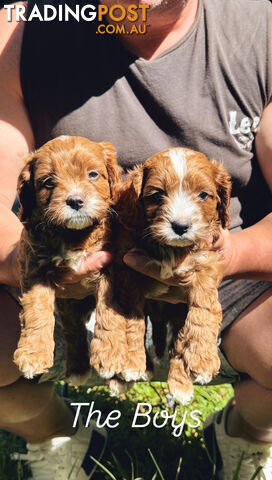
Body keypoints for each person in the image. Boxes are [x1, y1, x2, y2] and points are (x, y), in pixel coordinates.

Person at [0, 0, 272, 478]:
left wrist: (230, 254)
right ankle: (55, 434)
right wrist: (23, 259)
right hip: (65, 267)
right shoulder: (21, 30)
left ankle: (246, 434)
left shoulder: (260, 27)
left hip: (223, 273)